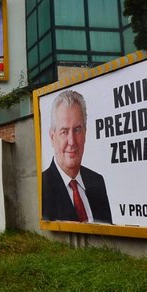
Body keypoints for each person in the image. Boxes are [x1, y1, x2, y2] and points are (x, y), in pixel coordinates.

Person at [41, 89, 112, 223]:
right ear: (52, 136)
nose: (72, 141)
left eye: (77, 130)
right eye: (64, 131)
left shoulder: (97, 181)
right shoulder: (42, 188)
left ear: (85, 133)